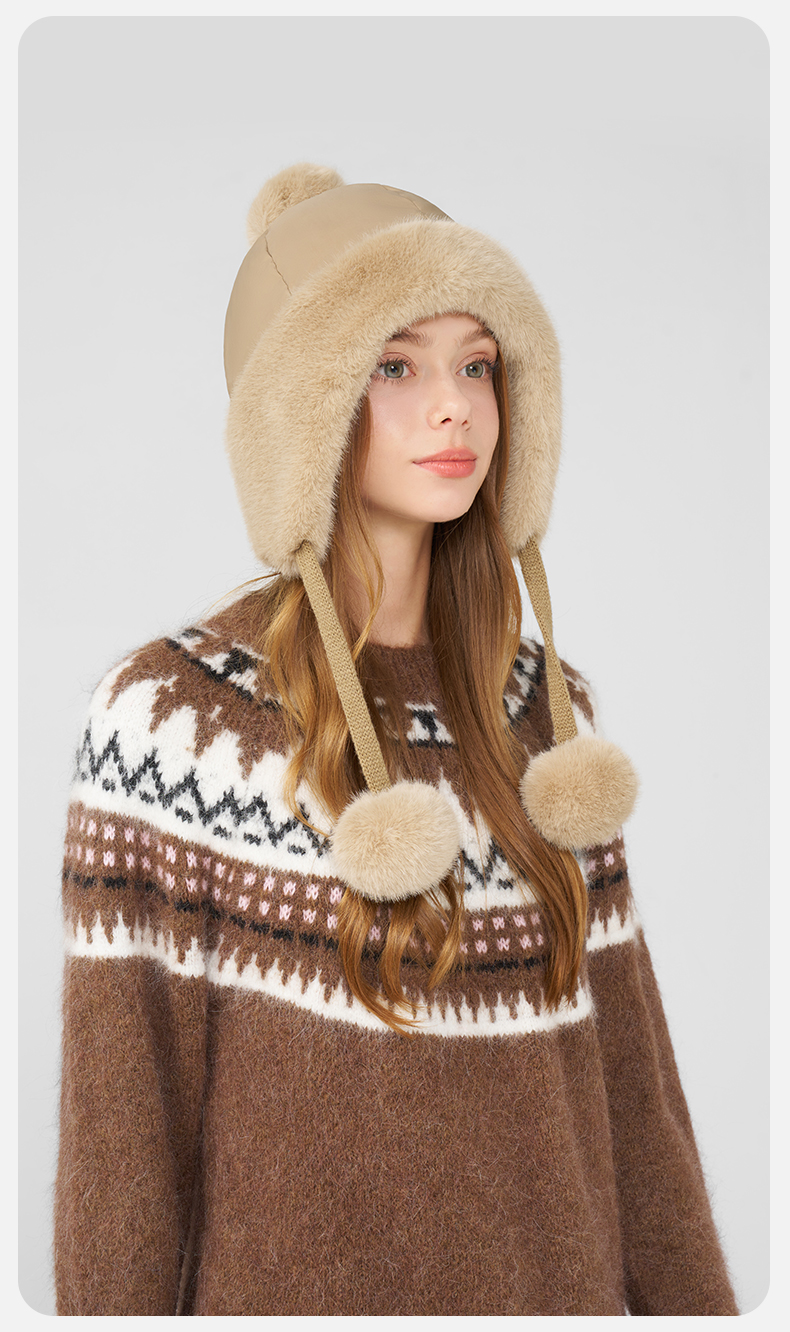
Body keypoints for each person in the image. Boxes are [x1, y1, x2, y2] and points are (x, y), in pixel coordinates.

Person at [53, 164, 738, 1316]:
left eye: (477, 364)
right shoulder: (170, 723)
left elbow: (636, 1111)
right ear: (301, 411)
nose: (454, 407)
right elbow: (122, 1150)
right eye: (394, 366)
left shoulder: (551, 724)